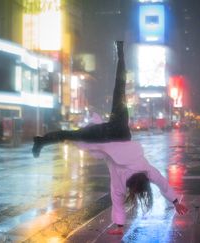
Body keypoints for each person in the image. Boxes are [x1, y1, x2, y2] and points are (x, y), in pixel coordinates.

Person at [32, 41, 188, 235]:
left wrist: (176, 201)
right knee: (69, 135)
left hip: (121, 130)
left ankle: (121, 51)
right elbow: (117, 200)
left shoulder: (147, 171)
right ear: (132, 187)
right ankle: (40, 142)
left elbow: (162, 183)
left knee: (119, 89)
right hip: (103, 137)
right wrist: (120, 227)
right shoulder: (121, 184)